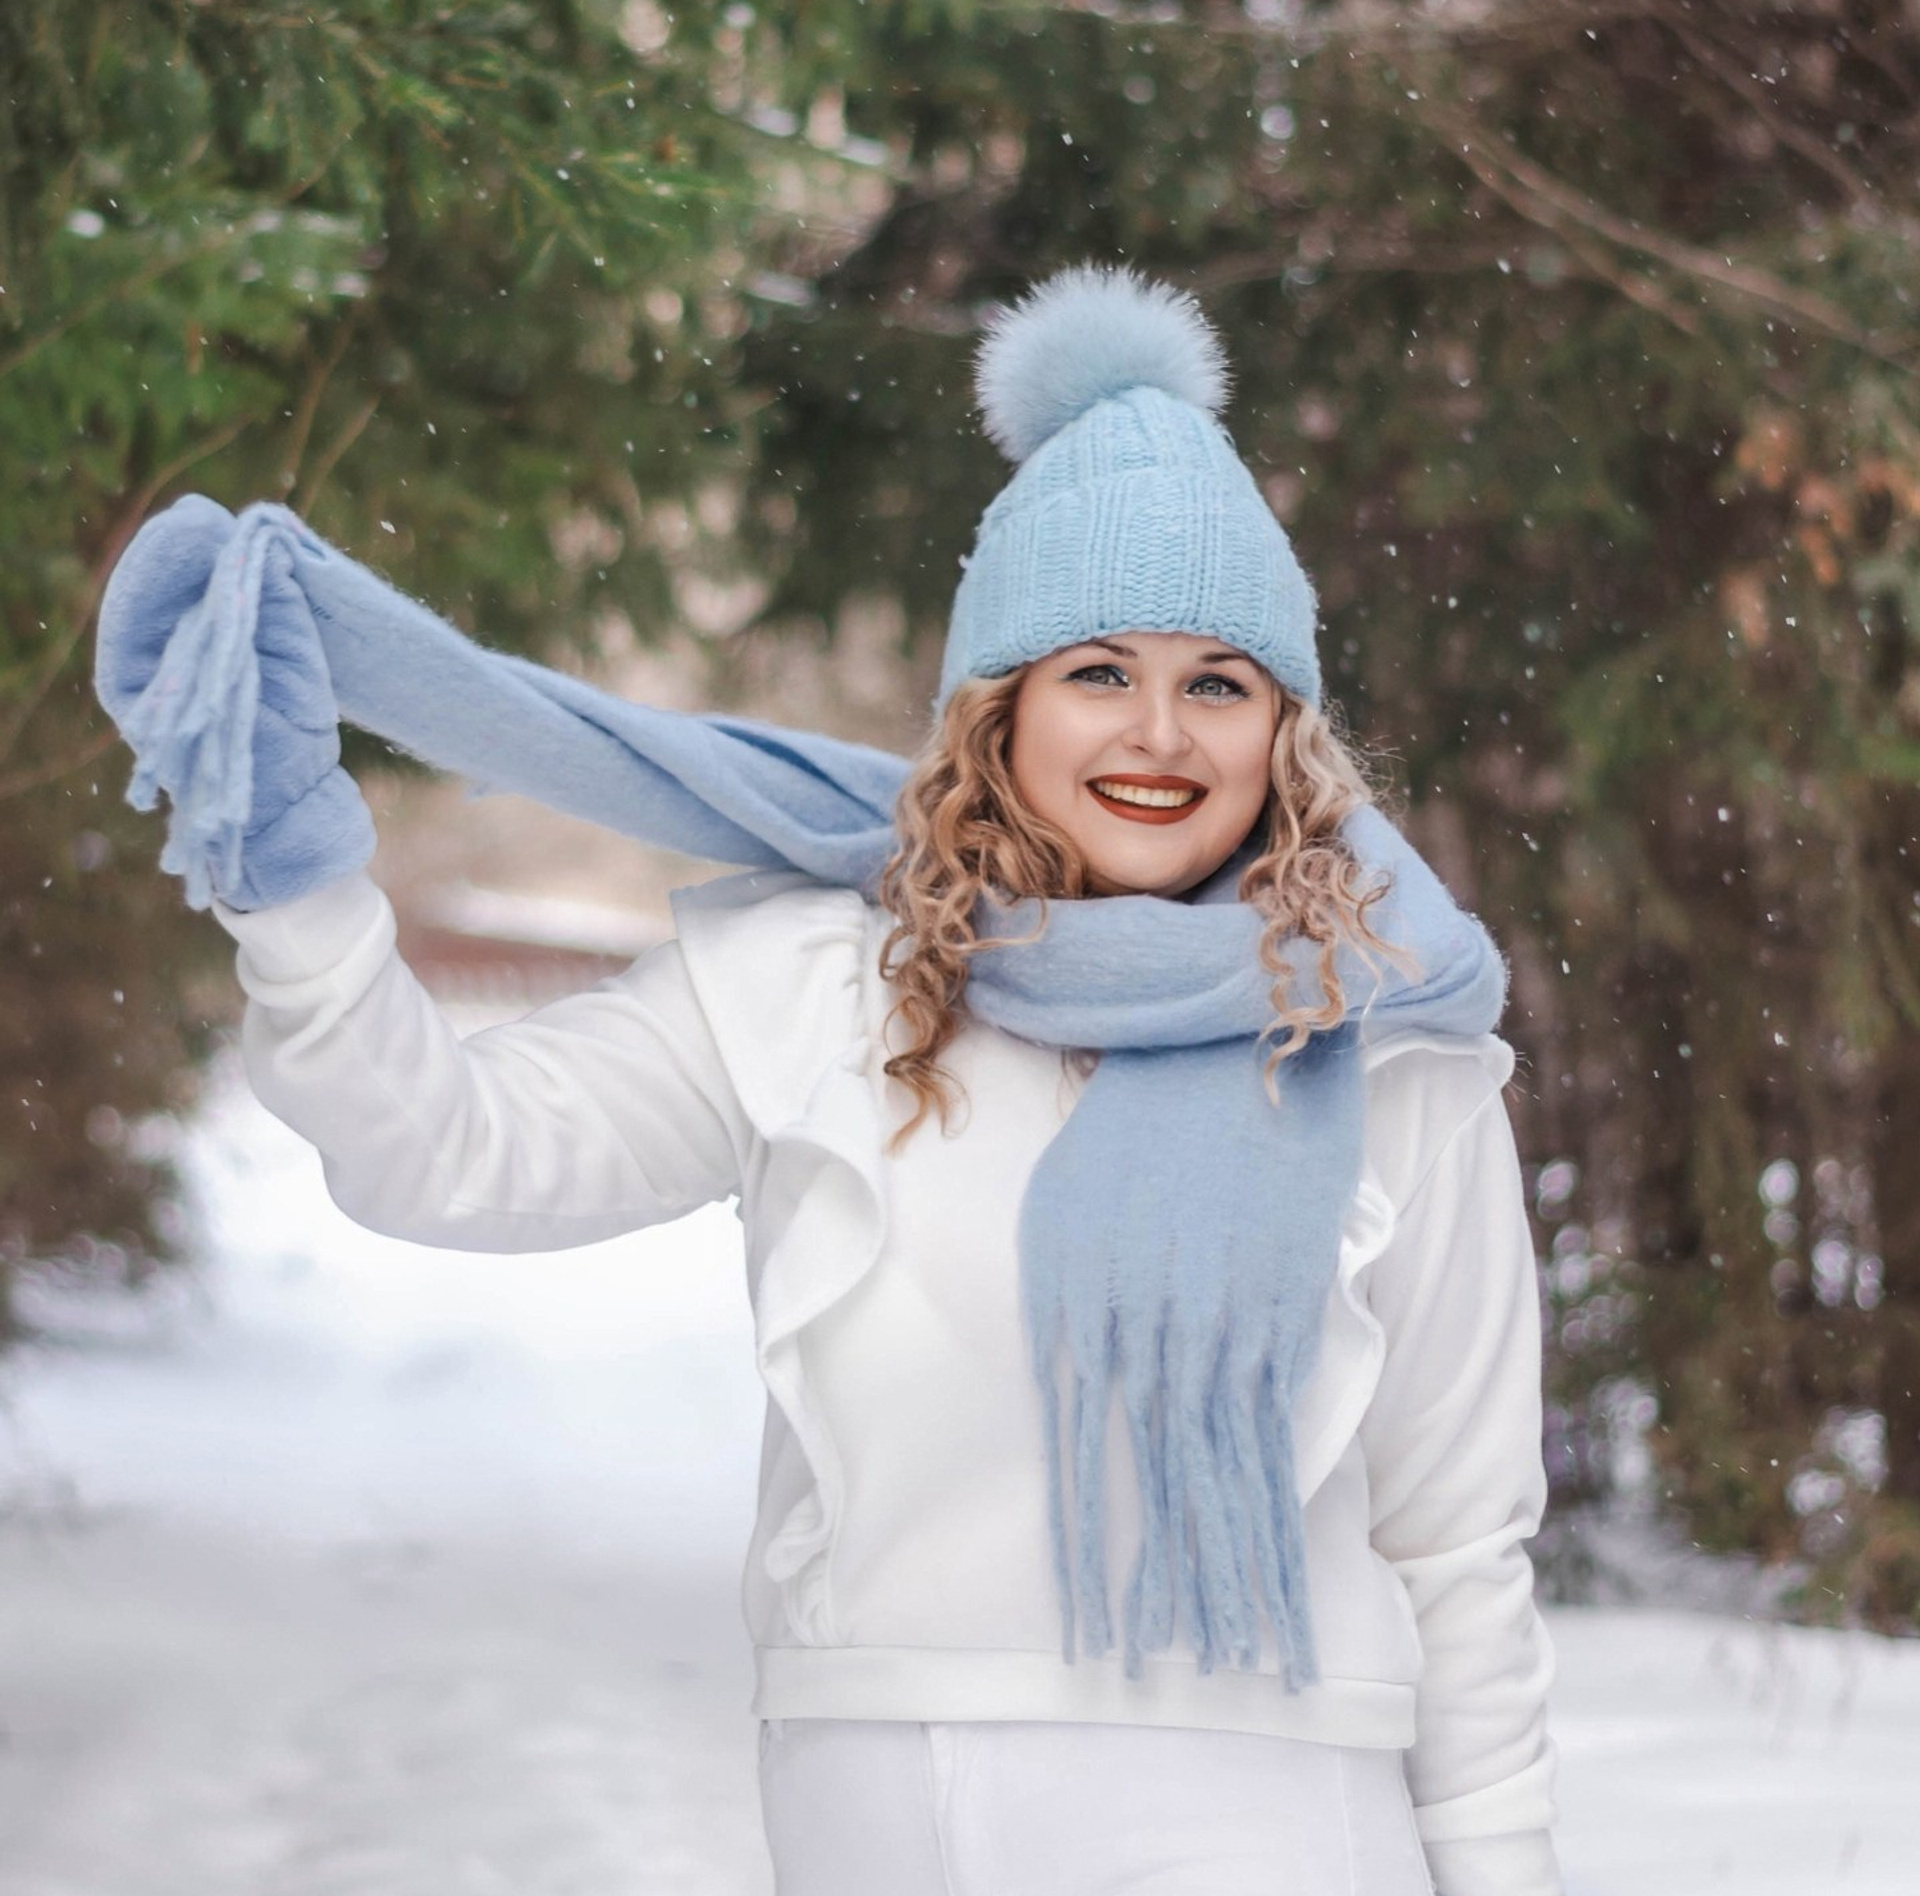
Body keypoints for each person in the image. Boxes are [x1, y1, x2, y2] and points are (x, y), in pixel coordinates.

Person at [95, 265, 1563, 1896]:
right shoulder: (814, 987)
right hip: (901, 1797)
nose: (1161, 732)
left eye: (1218, 681)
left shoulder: (1396, 1045)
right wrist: (292, 888)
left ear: (1282, 734)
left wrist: (1503, 1871)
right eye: (1097, 671)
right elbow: (446, 1155)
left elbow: (1456, 1538)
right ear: (994, 716)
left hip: (1294, 1813)